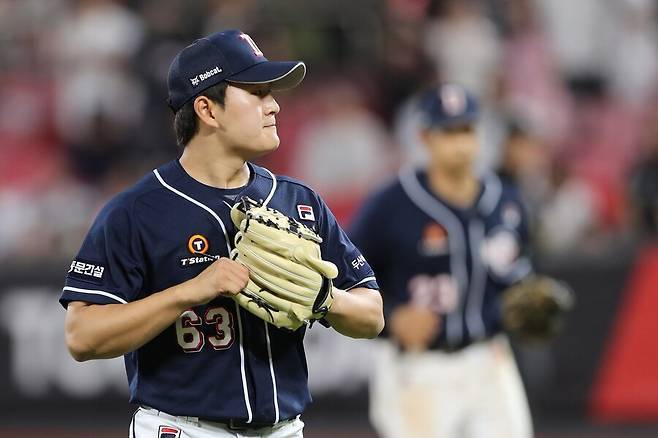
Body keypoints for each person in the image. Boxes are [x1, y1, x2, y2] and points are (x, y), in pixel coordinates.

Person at [60, 29, 384, 438]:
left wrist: (326, 299)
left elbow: (372, 315)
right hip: (183, 428)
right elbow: (82, 336)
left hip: (284, 430)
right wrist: (188, 292)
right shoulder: (137, 211)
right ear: (207, 110)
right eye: (257, 92)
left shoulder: (298, 201)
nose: (274, 105)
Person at [350, 83, 533, 438]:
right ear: (425, 136)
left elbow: (520, 275)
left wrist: (527, 303)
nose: (459, 143)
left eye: (466, 129)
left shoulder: (505, 201)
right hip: (418, 365)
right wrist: (391, 317)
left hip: (489, 358)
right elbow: (344, 276)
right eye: (448, 132)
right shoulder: (390, 204)